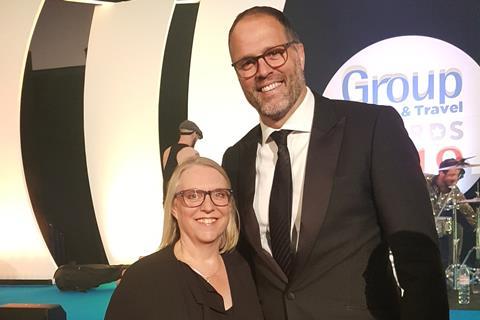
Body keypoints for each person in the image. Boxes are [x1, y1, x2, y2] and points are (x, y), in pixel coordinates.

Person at [222, 6, 448, 320]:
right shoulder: (236, 157)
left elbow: (419, 262)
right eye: (247, 62)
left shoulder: (371, 129)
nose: (262, 71)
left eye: (274, 53)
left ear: (299, 54)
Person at [105, 157, 264, 320]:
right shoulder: (142, 278)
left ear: (229, 204)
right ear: (174, 207)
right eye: (193, 196)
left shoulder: (245, 268)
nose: (208, 207)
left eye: (219, 194)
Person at [425, 158, 476, 267]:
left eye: (457, 175)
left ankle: (451, 268)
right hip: (417, 225)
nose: (455, 179)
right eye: (452, 175)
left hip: (436, 232)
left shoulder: (454, 192)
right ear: (441, 173)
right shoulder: (423, 180)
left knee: (458, 228)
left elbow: (470, 215)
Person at [162, 120, 203, 194]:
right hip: (183, 199)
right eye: (197, 138)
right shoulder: (191, 152)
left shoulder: (167, 151)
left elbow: (168, 178)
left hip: (168, 198)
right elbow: (193, 180)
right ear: (194, 134)